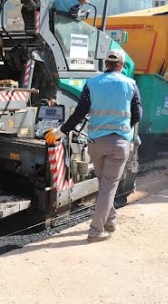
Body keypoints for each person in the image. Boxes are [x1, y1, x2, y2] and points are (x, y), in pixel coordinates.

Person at [44, 49, 142, 243]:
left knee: (105, 186)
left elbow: (79, 113)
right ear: (122, 65)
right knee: (108, 187)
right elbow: (137, 114)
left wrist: (59, 132)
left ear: (106, 64)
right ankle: (96, 231)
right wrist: (126, 130)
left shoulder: (92, 83)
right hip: (119, 144)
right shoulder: (130, 84)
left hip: (95, 143)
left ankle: (110, 221)